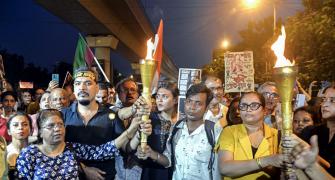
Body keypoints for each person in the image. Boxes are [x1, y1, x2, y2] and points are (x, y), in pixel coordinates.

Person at [62, 67, 151, 179]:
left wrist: (139, 134)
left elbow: (126, 148)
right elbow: (56, 151)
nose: (82, 88)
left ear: (96, 88)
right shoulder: (61, 116)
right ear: (74, 88)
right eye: (78, 83)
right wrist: (84, 169)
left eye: (88, 83)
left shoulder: (110, 116)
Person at [16, 109, 142, 179]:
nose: (57, 129)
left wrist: (130, 131)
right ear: (40, 131)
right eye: (51, 126)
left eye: (60, 124)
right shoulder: (29, 154)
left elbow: (103, 150)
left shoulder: (70, 148)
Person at [138, 83, 220, 180]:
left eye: (198, 103)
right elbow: (169, 160)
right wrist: (152, 153)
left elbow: (220, 168)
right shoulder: (177, 128)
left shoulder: (214, 131)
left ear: (206, 108)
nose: (192, 107)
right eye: (189, 101)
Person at [217, 92, 283, 179]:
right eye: (243, 106)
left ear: (264, 110)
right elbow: (224, 168)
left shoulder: (277, 135)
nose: (248, 109)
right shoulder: (229, 132)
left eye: (254, 105)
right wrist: (266, 161)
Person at [137, 82, 179, 180]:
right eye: (158, 96)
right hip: (152, 171)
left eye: (164, 97)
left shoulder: (182, 121)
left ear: (175, 100)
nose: (159, 100)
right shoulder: (149, 119)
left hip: (176, 171)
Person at [301, 85, 335, 176]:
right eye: (324, 99)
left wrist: (314, 158)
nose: (324, 105)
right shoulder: (310, 132)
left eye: (332, 100)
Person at [6, 112, 32, 178]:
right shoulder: (3, 152)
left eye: (25, 124)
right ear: (9, 131)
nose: (20, 127)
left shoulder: (37, 153)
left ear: (31, 130)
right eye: (15, 125)